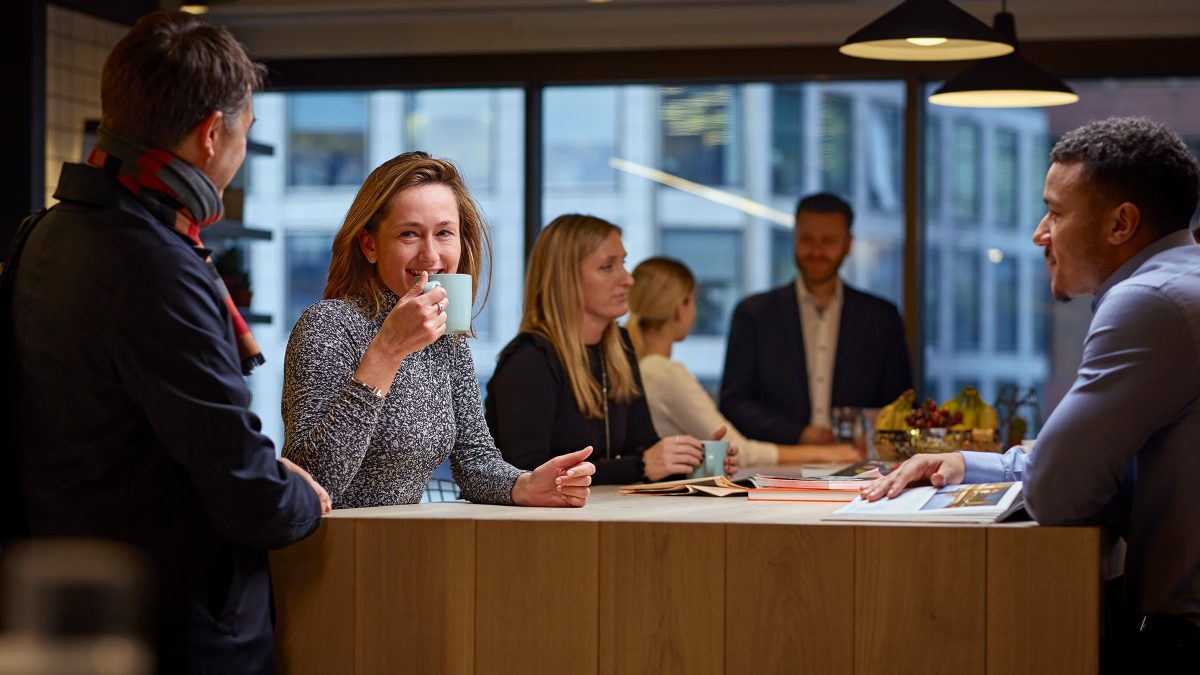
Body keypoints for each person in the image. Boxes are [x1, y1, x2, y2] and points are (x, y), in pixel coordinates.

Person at [0, 12, 329, 674]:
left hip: (67, 608)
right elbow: (246, 493)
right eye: (245, 131)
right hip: (176, 630)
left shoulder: (42, 236)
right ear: (212, 134)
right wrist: (301, 498)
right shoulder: (157, 264)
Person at [863, 117, 1200, 670]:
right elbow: (1091, 467)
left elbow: (1061, 492)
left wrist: (1081, 475)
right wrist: (967, 462)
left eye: (1057, 212)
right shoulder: (1180, 281)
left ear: (1122, 224)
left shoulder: (1148, 303)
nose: (1039, 233)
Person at [283, 152, 595, 509]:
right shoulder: (328, 325)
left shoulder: (445, 335)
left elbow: (475, 461)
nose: (430, 255)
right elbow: (310, 481)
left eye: (444, 233)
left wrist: (525, 484)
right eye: (409, 234)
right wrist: (387, 350)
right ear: (370, 245)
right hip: (331, 548)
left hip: (403, 545)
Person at [486, 214, 738, 484]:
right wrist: (642, 466)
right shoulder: (530, 359)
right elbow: (527, 474)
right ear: (566, 278)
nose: (628, 279)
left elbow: (641, 447)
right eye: (608, 266)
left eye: (623, 263)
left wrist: (687, 461)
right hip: (531, 525)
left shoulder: (619, 348)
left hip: (597, 516)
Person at [627, 257, 863, 467]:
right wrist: (823, 454)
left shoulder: (641, 368)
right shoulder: (662, 372)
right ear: (680, 308)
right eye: (693, 300)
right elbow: (735, 450)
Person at [719, 193, 913, 445]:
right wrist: (799, 434)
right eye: (807, 239)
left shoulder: (881, 318)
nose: (816, 251)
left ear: (848, 244)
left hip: (861, 467)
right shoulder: (753, 313)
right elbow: (734, 403)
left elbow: (901, 404)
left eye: (828, 241)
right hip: (775, 464)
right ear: (794, 239)